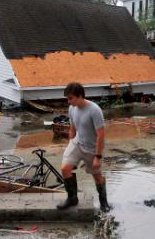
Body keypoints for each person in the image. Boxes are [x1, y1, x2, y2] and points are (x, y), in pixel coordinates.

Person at [56, 82, 110, 212]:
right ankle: (72, 199)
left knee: (97, 177)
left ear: (80, 96)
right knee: (65, 169)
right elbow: (72, 129)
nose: (68, 102)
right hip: (77, 143)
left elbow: (100, 136)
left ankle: (104, 203)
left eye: (70, 98)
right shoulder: (72, 108)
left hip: (92, 149)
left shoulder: (94, 110)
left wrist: (97, 157)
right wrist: (70, 146)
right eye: (67, 98)